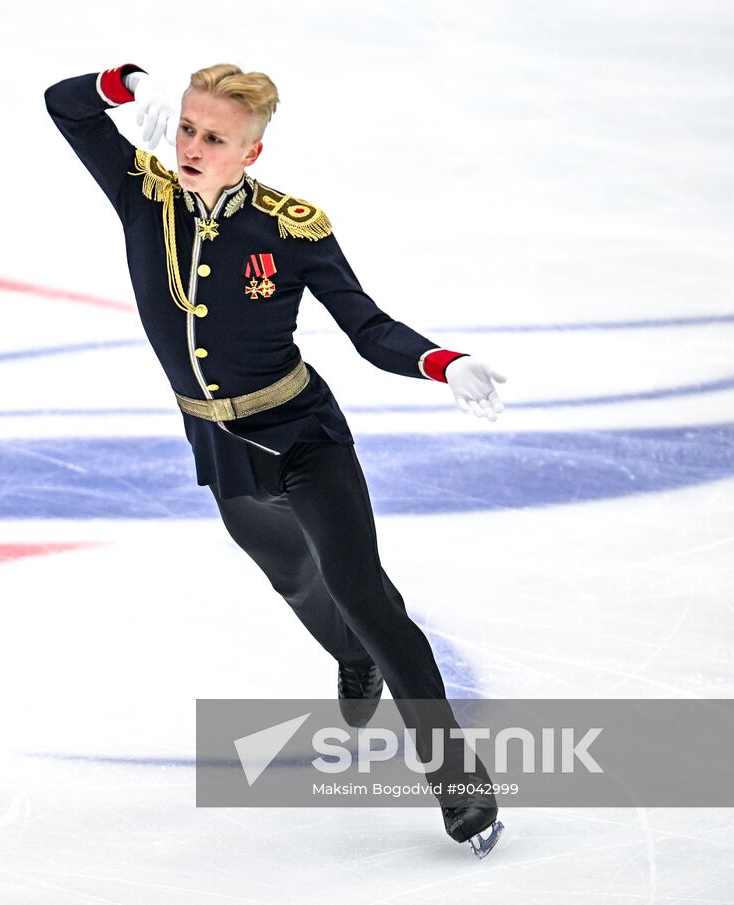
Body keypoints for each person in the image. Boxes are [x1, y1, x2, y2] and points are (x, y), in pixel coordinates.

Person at [45, 63, 507, 858]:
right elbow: (65, 106)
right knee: (299, 582)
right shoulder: (141, 194)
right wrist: (128, 84)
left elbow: (365, 325)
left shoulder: (290, 229)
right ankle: (351, 660)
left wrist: (442, 360)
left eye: (213, 137)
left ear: (250, 154)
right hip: (220, 446)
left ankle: (459, 783)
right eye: (186, 127)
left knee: (366, 594)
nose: (191, 145)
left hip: (303, 437)